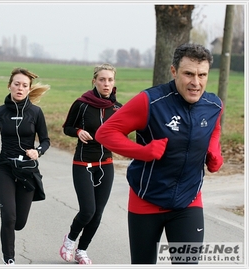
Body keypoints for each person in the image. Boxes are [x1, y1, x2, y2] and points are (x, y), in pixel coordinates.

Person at [95, 43, 224, 264]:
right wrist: (143, 151)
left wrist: (214, 151)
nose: (196, 82)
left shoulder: (213, 105)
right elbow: (106, 133)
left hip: (188, 200)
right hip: (146, 199)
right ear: (174, 71)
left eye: (202, 75)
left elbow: (214, 130)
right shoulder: (151, 102)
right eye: (188, 74)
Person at [0, 67, 51, 265]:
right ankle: (9, 259)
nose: (20, 88)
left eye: (24, 85)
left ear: (29, 89)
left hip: (27, 171)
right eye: (16, 84)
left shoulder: (36, 113)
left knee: (19, 222)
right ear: (9, 86)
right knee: (8, 216)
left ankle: (11, 235)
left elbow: (46, 140)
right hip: (4, 167)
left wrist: (37, 151)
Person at [59, 63, 122, 264]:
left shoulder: (117, 108)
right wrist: (77, 131)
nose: (106, 83)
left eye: (110, 80)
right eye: (102, 79)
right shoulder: (82, 104)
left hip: (106, 164)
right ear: (94, 81)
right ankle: (69, 241)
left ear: (114, 83)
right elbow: (67, 127)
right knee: (88, 210)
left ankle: (82, 250)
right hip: (83, 162)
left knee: (98, 214)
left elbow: (123, 133)